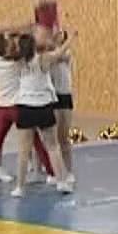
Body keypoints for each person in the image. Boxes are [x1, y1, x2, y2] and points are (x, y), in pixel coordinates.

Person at [0, 31, 55, 190]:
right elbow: (32, 49)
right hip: (18, 106)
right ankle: (51, 173)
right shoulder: (18, 61)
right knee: (36, 141)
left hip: (2, 108)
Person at [10, 33, 73, 197]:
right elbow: (59, 53)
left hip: (25, 107)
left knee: (23, 150)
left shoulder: (18, 63)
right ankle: (61, 182)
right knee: (53, 146)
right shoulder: (42, 60)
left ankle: (19, 187)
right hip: (43, 106)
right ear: (33, 46)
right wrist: (71, 38)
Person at [49, 30, 77, 186]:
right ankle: (52, 170)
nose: (57, 34)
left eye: (60, 32)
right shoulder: (46, 53)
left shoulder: (66, 52)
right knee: (51, 139)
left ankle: (69, 170)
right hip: (51, 96)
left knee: (64, 138)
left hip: (64, 95)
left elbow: (61, 55)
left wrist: (70, 40)